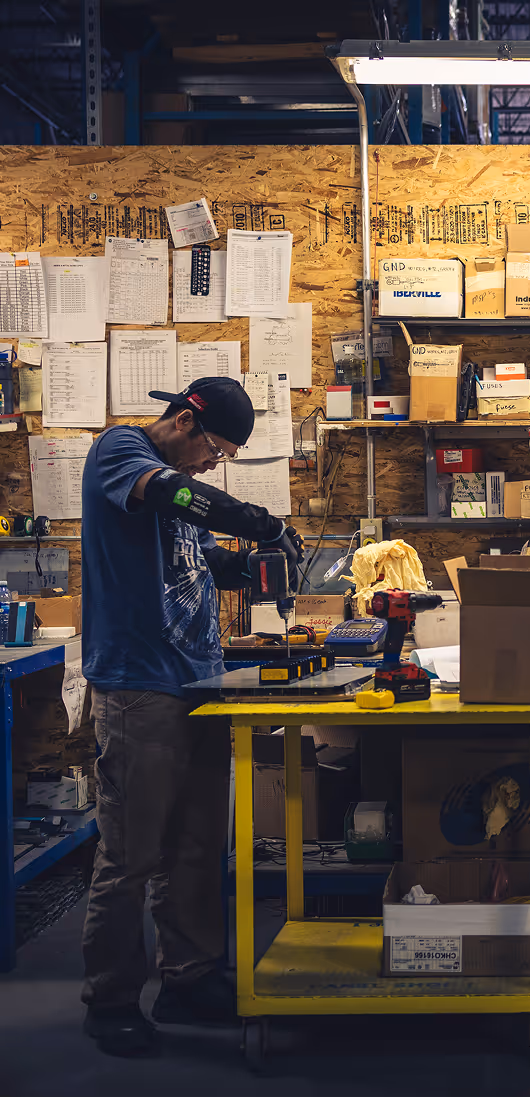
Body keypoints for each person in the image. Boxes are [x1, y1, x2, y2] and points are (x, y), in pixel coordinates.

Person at [79, 377, 304, 1056]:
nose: (212, 465)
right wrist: (257, 520)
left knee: (200, 847)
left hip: (199, 681)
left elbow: (188, 554)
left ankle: (191, 976)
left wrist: (245, 566)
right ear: (183, 422)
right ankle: (111, 999)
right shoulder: (123, 454)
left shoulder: (173, 482)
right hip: (137, 686)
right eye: (215, 451)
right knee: (132, 855)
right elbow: (185, 498)